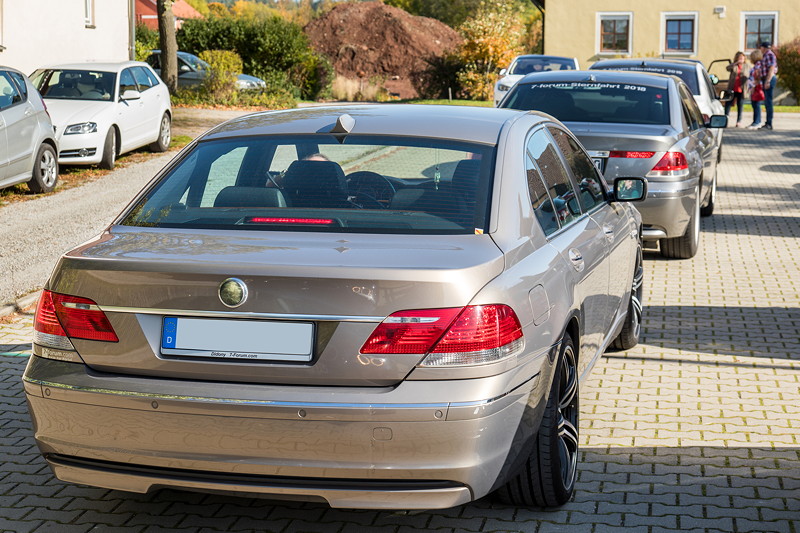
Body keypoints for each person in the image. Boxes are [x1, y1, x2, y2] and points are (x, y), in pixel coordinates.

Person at [725, 52, 750, 127]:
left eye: (742, 58)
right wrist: (735, 63)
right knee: (728, 104)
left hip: (741, 89)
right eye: (739, 58)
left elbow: (750, 74)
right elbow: (727, 68)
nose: (741, 59)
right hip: (732, 88)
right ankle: (726, 119)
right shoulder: (734, 65)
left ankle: (739, 121)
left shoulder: (746, 66)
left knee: (740, 105)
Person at [759, 41, 779, 130]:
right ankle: (767, 123)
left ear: (764, 47)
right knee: (767, 102)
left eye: (761, 48)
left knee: (768, 102)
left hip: (769, 79)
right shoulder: (765, 55)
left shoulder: (769, 54)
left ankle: (769, 124)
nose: (760, 49)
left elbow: (771, 68)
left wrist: (768, 81)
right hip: (766, 79)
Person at [746, 50, 763, 130]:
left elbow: (757, 77)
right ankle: (755, 121)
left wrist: (752, 86)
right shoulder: (756, 65)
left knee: (756, 105)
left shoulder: (758, 66)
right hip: (754, 87)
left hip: (756, 87)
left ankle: (757, 122)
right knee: (755, 104)